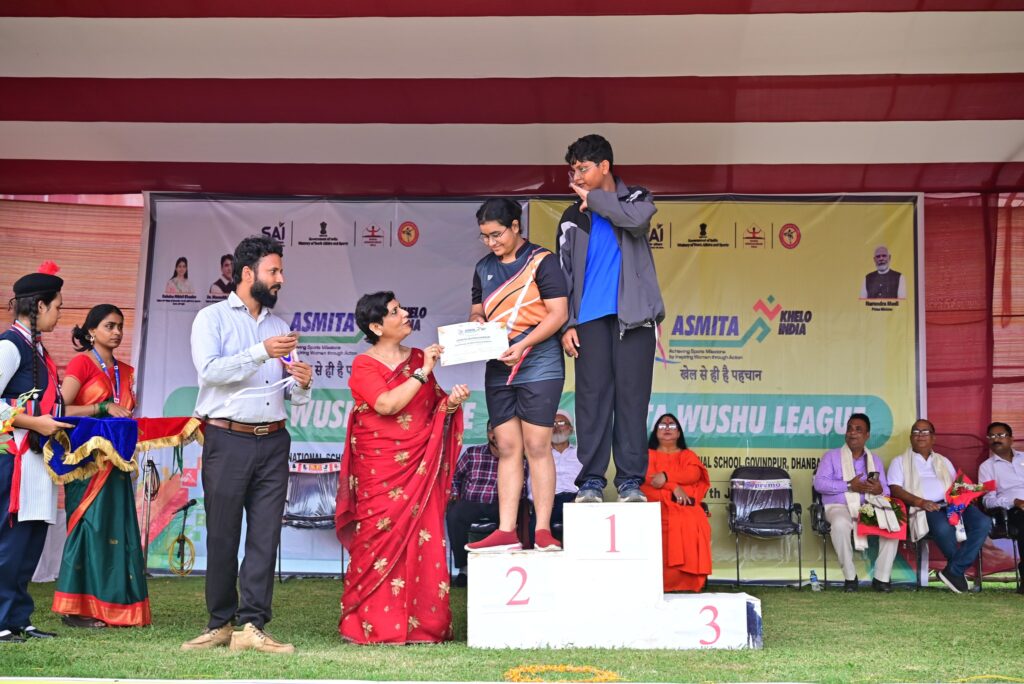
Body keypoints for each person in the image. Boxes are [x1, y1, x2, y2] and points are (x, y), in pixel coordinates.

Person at [182, 236, 313, 654]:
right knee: (222, 534)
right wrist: (260, 352)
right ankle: (219, 623)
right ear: (247, 273)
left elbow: (292, 395)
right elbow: (210, 372)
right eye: (273, 271)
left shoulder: (280, 327)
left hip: (274, 439)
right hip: (226, 437)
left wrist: (302, 384)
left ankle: (252, 625)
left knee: (265, 535)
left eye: (280, 271)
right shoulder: (212, 318)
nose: (281, 279)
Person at [335, 291, 469, 644]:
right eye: (395, 312)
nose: (405, 313)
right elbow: (386, 404)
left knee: (423, 537)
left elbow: (433, 408)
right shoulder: (365, 365)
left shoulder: (419, 358)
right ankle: (367, 625)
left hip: (418, 466)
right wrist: (423, 373)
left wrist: (451, 403)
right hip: (379, 468)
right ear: (377, 327)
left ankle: (424, 626)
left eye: (401, 308)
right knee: (376, 538)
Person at [557, 134, 664, 504]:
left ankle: (630, 481)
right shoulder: (572, 216)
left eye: (583, 169)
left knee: (632, 400)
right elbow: (564, 275)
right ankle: (591, 481)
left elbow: (635, 222)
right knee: (592, 401)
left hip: (634, 319)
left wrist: (597, 200)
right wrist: (567, 324)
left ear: (604, 167)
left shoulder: (635, 199)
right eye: (573, 171)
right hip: (588, 320)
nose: (576, 177)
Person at [465, 198, 568, 553]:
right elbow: (477, 310)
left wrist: (523, 344)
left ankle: (542, 531)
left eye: (496, 234)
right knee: (508, 447)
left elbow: (558, 314)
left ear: (515, 226)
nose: (491, 242)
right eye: (484, 236)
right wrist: (477, 324)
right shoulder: (483, 267)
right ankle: (507, 530)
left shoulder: (543, 261)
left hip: (539, 364)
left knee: (537, 446)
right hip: (498, 366)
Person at [54, 304, 150, 627]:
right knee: (89, 528)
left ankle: (114, 605)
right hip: (86, 464)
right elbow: (62, 409)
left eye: (120, 326)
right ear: (91, 331)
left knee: (115, 529)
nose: (117, 332)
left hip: (117, 464)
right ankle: (75, 610)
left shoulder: (126, 371)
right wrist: (102, 407)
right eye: (110, 326)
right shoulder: (82, 363)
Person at [0, 262, 71, 643]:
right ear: (39, 306)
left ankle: (18, 617)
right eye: (57, 306)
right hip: (13, 458)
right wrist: (34, 423)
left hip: (37, 457)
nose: (59, 314)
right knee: (10, 542)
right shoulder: (9, 346)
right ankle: (2, 618)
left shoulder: (35, 348)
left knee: (29, 541)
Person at [888, 419, 991, 594]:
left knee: (983, 522)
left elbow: (956, 486)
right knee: (943, 528)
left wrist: (966, 496)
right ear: (911, 437)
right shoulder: (899, 461)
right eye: (916, 432)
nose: (920, 435)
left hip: (952, 505)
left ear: (933, 438)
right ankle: (955, 572)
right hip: (924, 507)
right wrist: (921, 502)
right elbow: (895, 489)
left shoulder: (943, 461)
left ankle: (954, 570)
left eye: (925, 432)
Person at [812, 413, 899, 592]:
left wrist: (878, 490)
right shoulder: (831, 456)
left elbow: (886, 490)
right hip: (838, 507)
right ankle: (850, 578)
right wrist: (850, 485)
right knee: (840, 524)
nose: (852, 432)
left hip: (869, 506)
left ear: (867, 435)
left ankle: (881, 578)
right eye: (850, 429)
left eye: (858, 429)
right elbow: (819, 484)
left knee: (893, 524)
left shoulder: (874, 460)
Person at [640, 413, 711, 592]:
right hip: (655, 504)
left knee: (694, 519)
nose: (667, 428)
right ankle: (658, 583)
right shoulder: (647, 455)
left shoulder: (687, 455)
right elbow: (650, 480)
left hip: (684, 506)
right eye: (662, 426)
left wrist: (666, 476)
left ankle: (688, 582)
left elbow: (693, 474)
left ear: (679, 433)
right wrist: (674, 487)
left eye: (672, 426)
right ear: (655, 432)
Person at [446, 422, 499, 587]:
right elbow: (455, 476)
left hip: (500, 504)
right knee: (454, 515)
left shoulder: (517, 456)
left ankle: (501, 568)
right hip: (472, 502)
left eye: (500, 429)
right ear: (487, 433)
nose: (496, 434)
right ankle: (464, 569)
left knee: (514, 516)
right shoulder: (472, 453)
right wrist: (454, 494)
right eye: (492, 430)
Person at [978, 421, 1024, 593]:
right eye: (991, 436)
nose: (995, 439)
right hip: (1012, 511)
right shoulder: (987, 467)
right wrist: (1014, 502)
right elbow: (988, 500)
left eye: (1000, 435)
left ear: (1011, 439)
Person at [527, 409, 581, 534]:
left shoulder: (581, 454)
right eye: (552, 424)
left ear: (571, 429)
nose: (556, 427)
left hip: (576, 500)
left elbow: (589, 480)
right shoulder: (538, 455)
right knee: (537, 526)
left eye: (561, 423)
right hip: (547, 500)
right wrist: (540, 500)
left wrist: (579, 499)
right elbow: (531, 483)